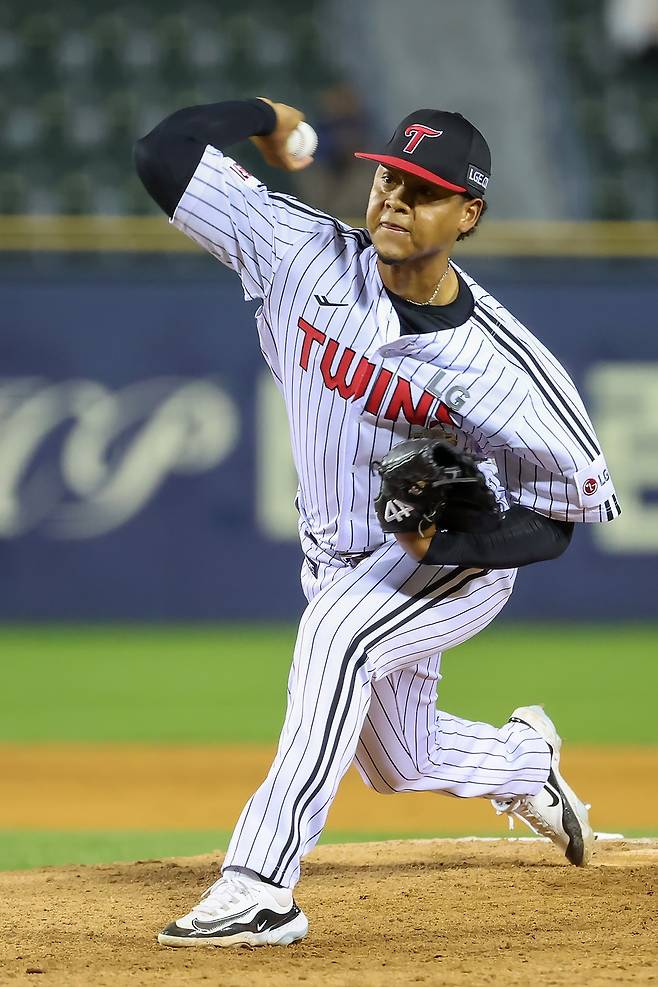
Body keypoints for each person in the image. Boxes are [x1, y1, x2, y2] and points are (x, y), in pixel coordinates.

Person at [134, 97, 620, 948]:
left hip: (456, 564)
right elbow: (160, 154)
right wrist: (266, 115)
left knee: (340, 639)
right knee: (398, 760)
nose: (395, 197)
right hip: (334, 553)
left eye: (424, 190)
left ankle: (260, 884)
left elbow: (561, 516)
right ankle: (525, 760)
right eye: (388, 177)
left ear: (467, 215)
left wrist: (453, 545)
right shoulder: (299, 255)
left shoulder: (511, 371)